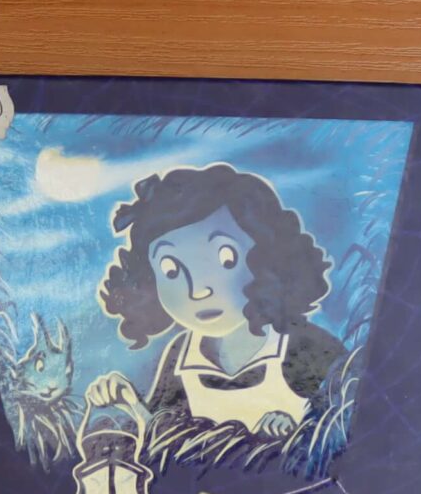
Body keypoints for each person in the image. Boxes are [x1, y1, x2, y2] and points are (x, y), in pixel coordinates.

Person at [86, 162, 345, 442]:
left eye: (226, 259)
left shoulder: (304, 346)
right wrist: (132, 406)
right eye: (171, 270)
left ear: (268, 256)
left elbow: (345, 431)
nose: (197, 290)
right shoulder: (180, 355)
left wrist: (295, 434)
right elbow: (165, 440)